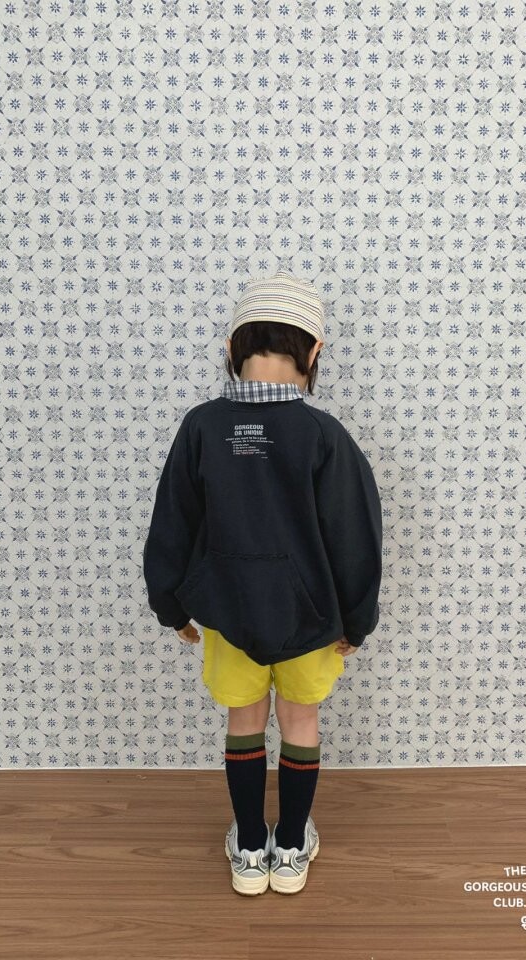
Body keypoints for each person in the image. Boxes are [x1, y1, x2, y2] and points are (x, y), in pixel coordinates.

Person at [143, 270, 383, 896]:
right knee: (301, 720)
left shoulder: (201, 427)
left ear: (232, 348)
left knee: (244, 719)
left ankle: (251, 846)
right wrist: (357, 620)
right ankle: (291, 845)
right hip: (312, 619)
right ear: (314, 351)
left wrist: (171, 606)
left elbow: (172, 522)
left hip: (227, 615)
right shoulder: (324, 435)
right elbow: (355, 535)